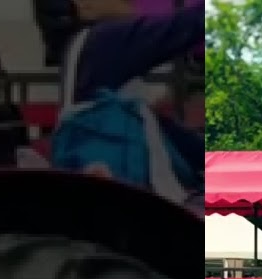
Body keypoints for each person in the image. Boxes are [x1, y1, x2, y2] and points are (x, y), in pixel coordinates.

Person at [34, 0, 203, 202]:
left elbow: (164, 129)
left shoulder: (82, 50)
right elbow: (184, 26)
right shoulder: (105, 39)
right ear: (84, 6)